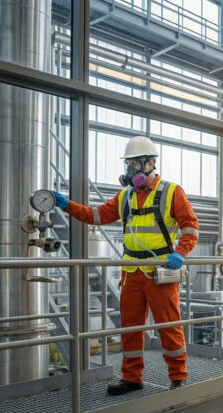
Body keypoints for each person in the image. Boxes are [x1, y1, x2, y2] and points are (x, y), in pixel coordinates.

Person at [55, 136, 200, 395]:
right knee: (131, 328)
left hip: (160, 272)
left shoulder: (171, 191)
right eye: (128, 164)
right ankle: (132, 377)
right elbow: (95, 216)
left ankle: (178, 377)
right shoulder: (126, 196)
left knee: (169, 325)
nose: (130, 169)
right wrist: (66, 205)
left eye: (134, 164)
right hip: (131, 272)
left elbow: (190, 226)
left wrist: (181, 252)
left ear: (150, 163)